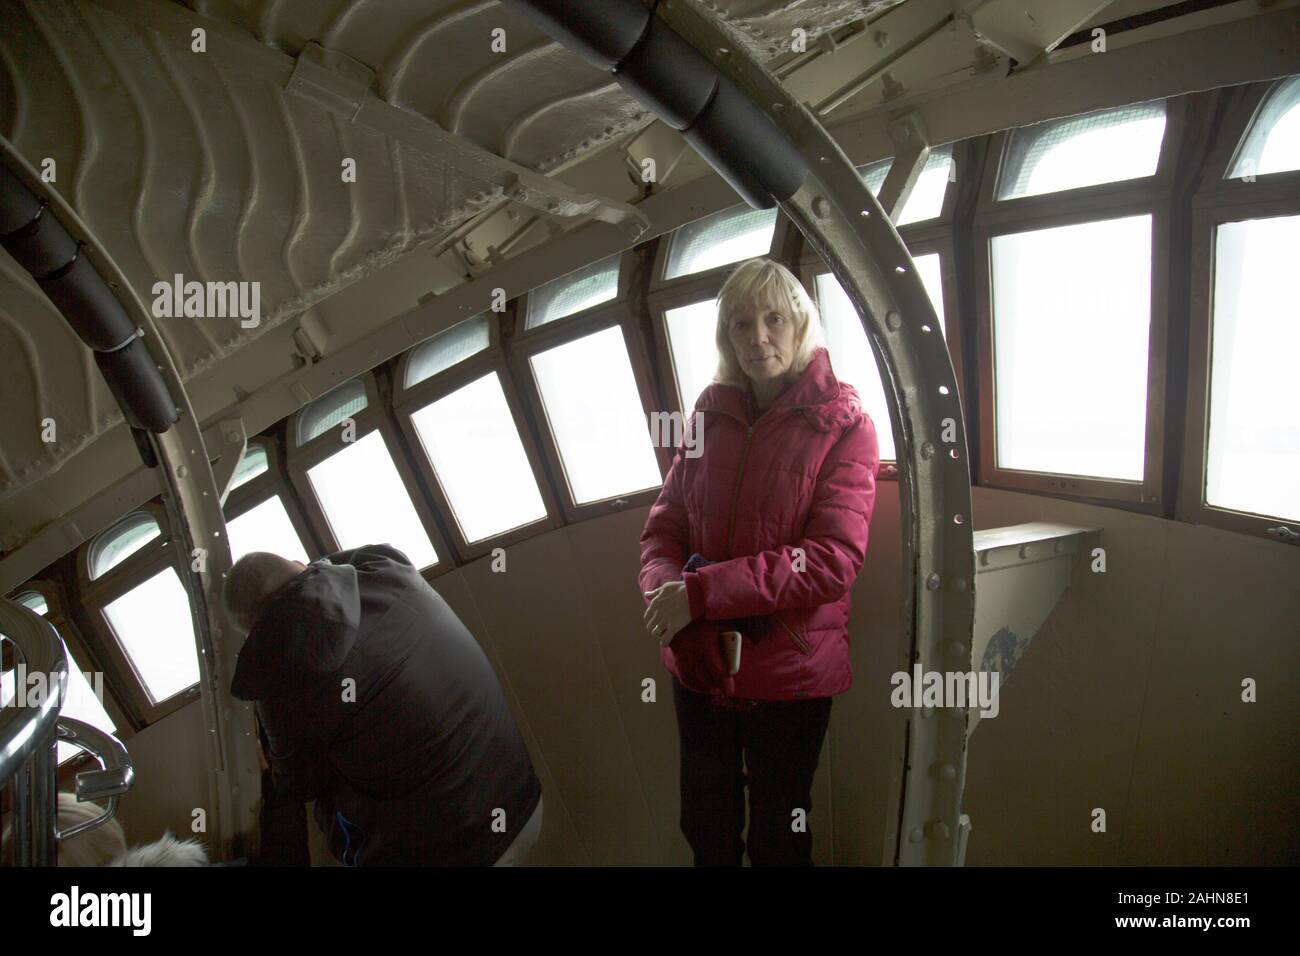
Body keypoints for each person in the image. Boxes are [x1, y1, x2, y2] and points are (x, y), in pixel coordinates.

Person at [639, 257, 879, 866]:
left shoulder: (845, 425)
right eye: (741, 324)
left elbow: (832, 559)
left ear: (801, 326)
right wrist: (670, 601)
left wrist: (700, 594)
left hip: (789, 670)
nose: (758, 338)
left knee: (781, 838)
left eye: (774, 320)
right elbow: (663, 530)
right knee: (707, 829)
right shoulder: (708, 413)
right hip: (699, 659)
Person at [224, 544, 543, 866]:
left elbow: (298, 786)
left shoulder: (282, 690)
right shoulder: (388, 568)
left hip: (458, 853)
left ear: (255, 631)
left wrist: (273, 758)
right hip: (523, 802)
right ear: (300, 563)